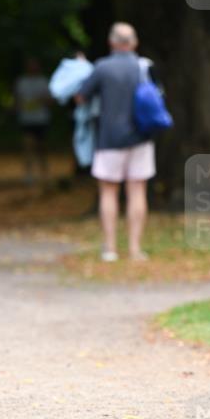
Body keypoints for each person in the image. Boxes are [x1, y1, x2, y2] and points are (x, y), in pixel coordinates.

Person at [77, 22, 155, 262]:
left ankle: (110, 249)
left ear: (112, 42)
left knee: (109, 193)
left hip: (109, 138)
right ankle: (134, 249)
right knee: (137, 191)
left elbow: (80, 97)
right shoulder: (144, 67)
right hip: (141, 137)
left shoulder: (102, 67)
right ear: (134, 43)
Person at [13, 58, 52, 185]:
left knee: (42, 148)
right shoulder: (21, 82)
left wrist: (42, 101)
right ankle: (28, 174)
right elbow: (17, 100)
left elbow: (50, 100)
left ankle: (44, 173)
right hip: (27, 119)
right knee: (28, 146)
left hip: (41, 119)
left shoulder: (43, 81)